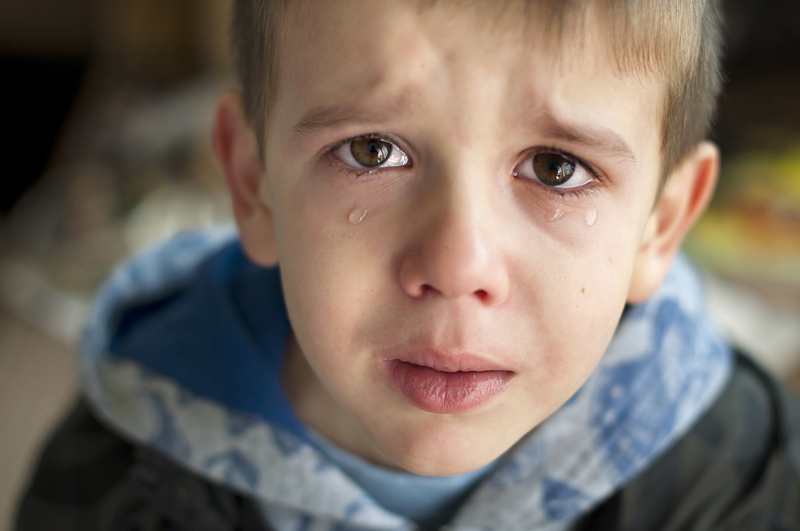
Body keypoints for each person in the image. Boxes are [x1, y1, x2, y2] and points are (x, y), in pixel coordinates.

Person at [15, 1, 800, 530]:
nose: (457, 264)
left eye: (557, 169)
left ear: (661, 226)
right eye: (371, 150)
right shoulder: (117, 472)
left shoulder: (741, 477)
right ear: (253, 186)